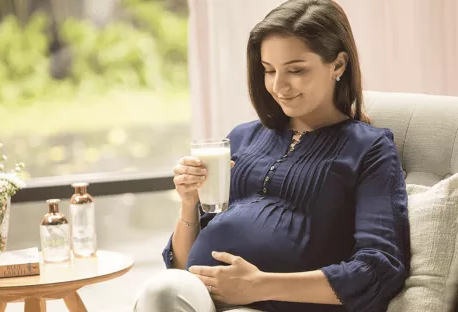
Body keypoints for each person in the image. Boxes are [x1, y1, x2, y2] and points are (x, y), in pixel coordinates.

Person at [134, 0, 410, 311]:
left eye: (296, 70)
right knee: (160, 290)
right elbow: (182, 266)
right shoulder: (241, 137)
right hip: (201, 299)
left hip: (281, 305)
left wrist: (257, 285)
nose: (278, 86)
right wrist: (188, 202)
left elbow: (380, 269)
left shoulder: (369, 148)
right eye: (268, 70)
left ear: (338, 65)